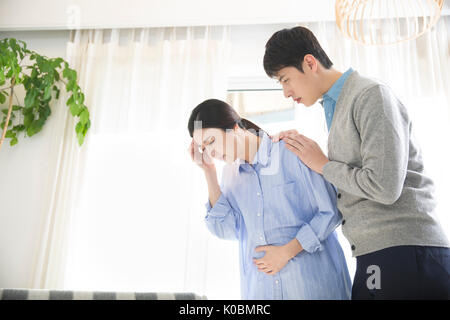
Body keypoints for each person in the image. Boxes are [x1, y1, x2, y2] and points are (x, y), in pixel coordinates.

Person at [264, 26, 450, 299]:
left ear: (309, 63)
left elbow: (384, 187)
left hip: (405, 249)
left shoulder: (370, 94)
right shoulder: (336, 106)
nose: (286, 92)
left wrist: (323, 165)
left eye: (285, 79)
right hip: (376, 252)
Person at [187, 99, 351, 300]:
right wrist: (209, 172)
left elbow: (331, 210)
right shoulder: (230, 176)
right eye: (203, 147)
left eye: (211, 141)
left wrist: (287, 251)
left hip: (312, 287)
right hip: (261, 292)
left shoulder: (292, 151)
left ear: (234, 128)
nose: (210, 152)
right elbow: (227, 230)